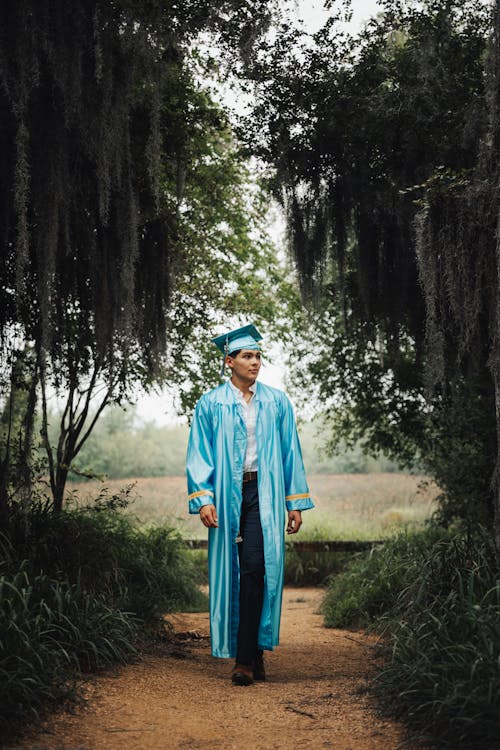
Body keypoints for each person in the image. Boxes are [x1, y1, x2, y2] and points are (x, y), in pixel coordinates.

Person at [186, 324, 314, 686]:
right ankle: (249, 652)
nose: (255, 362)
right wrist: (204, 498)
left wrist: (295, 502)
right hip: (228, 495)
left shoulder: (276, 402)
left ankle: (246, 659)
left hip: (265, 495)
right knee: (232, 572)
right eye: (247, 356)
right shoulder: (211, 403)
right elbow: (200, 453)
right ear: (230, 362)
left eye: (258, 356)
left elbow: (291, 453)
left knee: (257, 568)